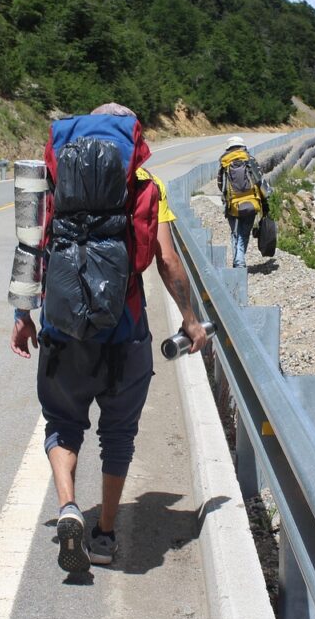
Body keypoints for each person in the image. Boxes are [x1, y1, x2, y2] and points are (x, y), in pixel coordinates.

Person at [10, 102, 207, 573]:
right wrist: (191, 319)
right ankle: (104, 535)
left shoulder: (53, 181)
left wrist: (23, 312)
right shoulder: (146, 186)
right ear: (131, 140)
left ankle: (69, 508)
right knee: (118, 434)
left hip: (62, 329)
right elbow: (166, 259)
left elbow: (29, 243)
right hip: (125, 332)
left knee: (62, 421)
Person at [217, 136, 266, 268]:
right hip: (251, 201)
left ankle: (238, 261)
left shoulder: (224, 162)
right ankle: (239, 260)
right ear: (242, 146)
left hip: (232, 204)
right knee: (244, 232)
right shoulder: (249, 159)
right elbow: (259, 177)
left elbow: (220, 183)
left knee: (235, 233)